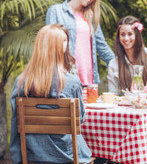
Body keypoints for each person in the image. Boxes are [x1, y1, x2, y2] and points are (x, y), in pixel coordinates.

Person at [10, 24, 92, 164]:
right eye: (64, 40)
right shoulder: (72, 83)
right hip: (67, 156)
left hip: (32, 155)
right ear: (61, 46)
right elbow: (80, 120)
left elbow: (15, 122)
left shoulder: (21, 82)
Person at [46, 0, 115, 87]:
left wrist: (118, 65)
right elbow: (49, 44)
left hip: (89, 79)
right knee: (70, 105)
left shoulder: (90, 17)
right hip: (66, 77)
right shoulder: (56, 11)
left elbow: (102, 46)